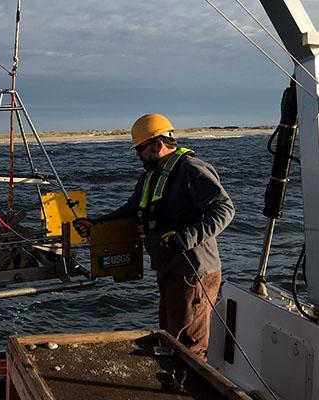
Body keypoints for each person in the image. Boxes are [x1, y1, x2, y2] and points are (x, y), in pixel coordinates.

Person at [75, 114, 234, 360]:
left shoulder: (192, 170)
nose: (137, 154)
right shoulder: (151, 175)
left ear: (158, 145)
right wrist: (97, 224)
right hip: (170, 269)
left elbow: (224, 209)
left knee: (189, 348)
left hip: (193, 273)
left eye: (140, 148)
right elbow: (132, 208)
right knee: (171, 338)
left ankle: (187, 389)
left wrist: (186, 237)